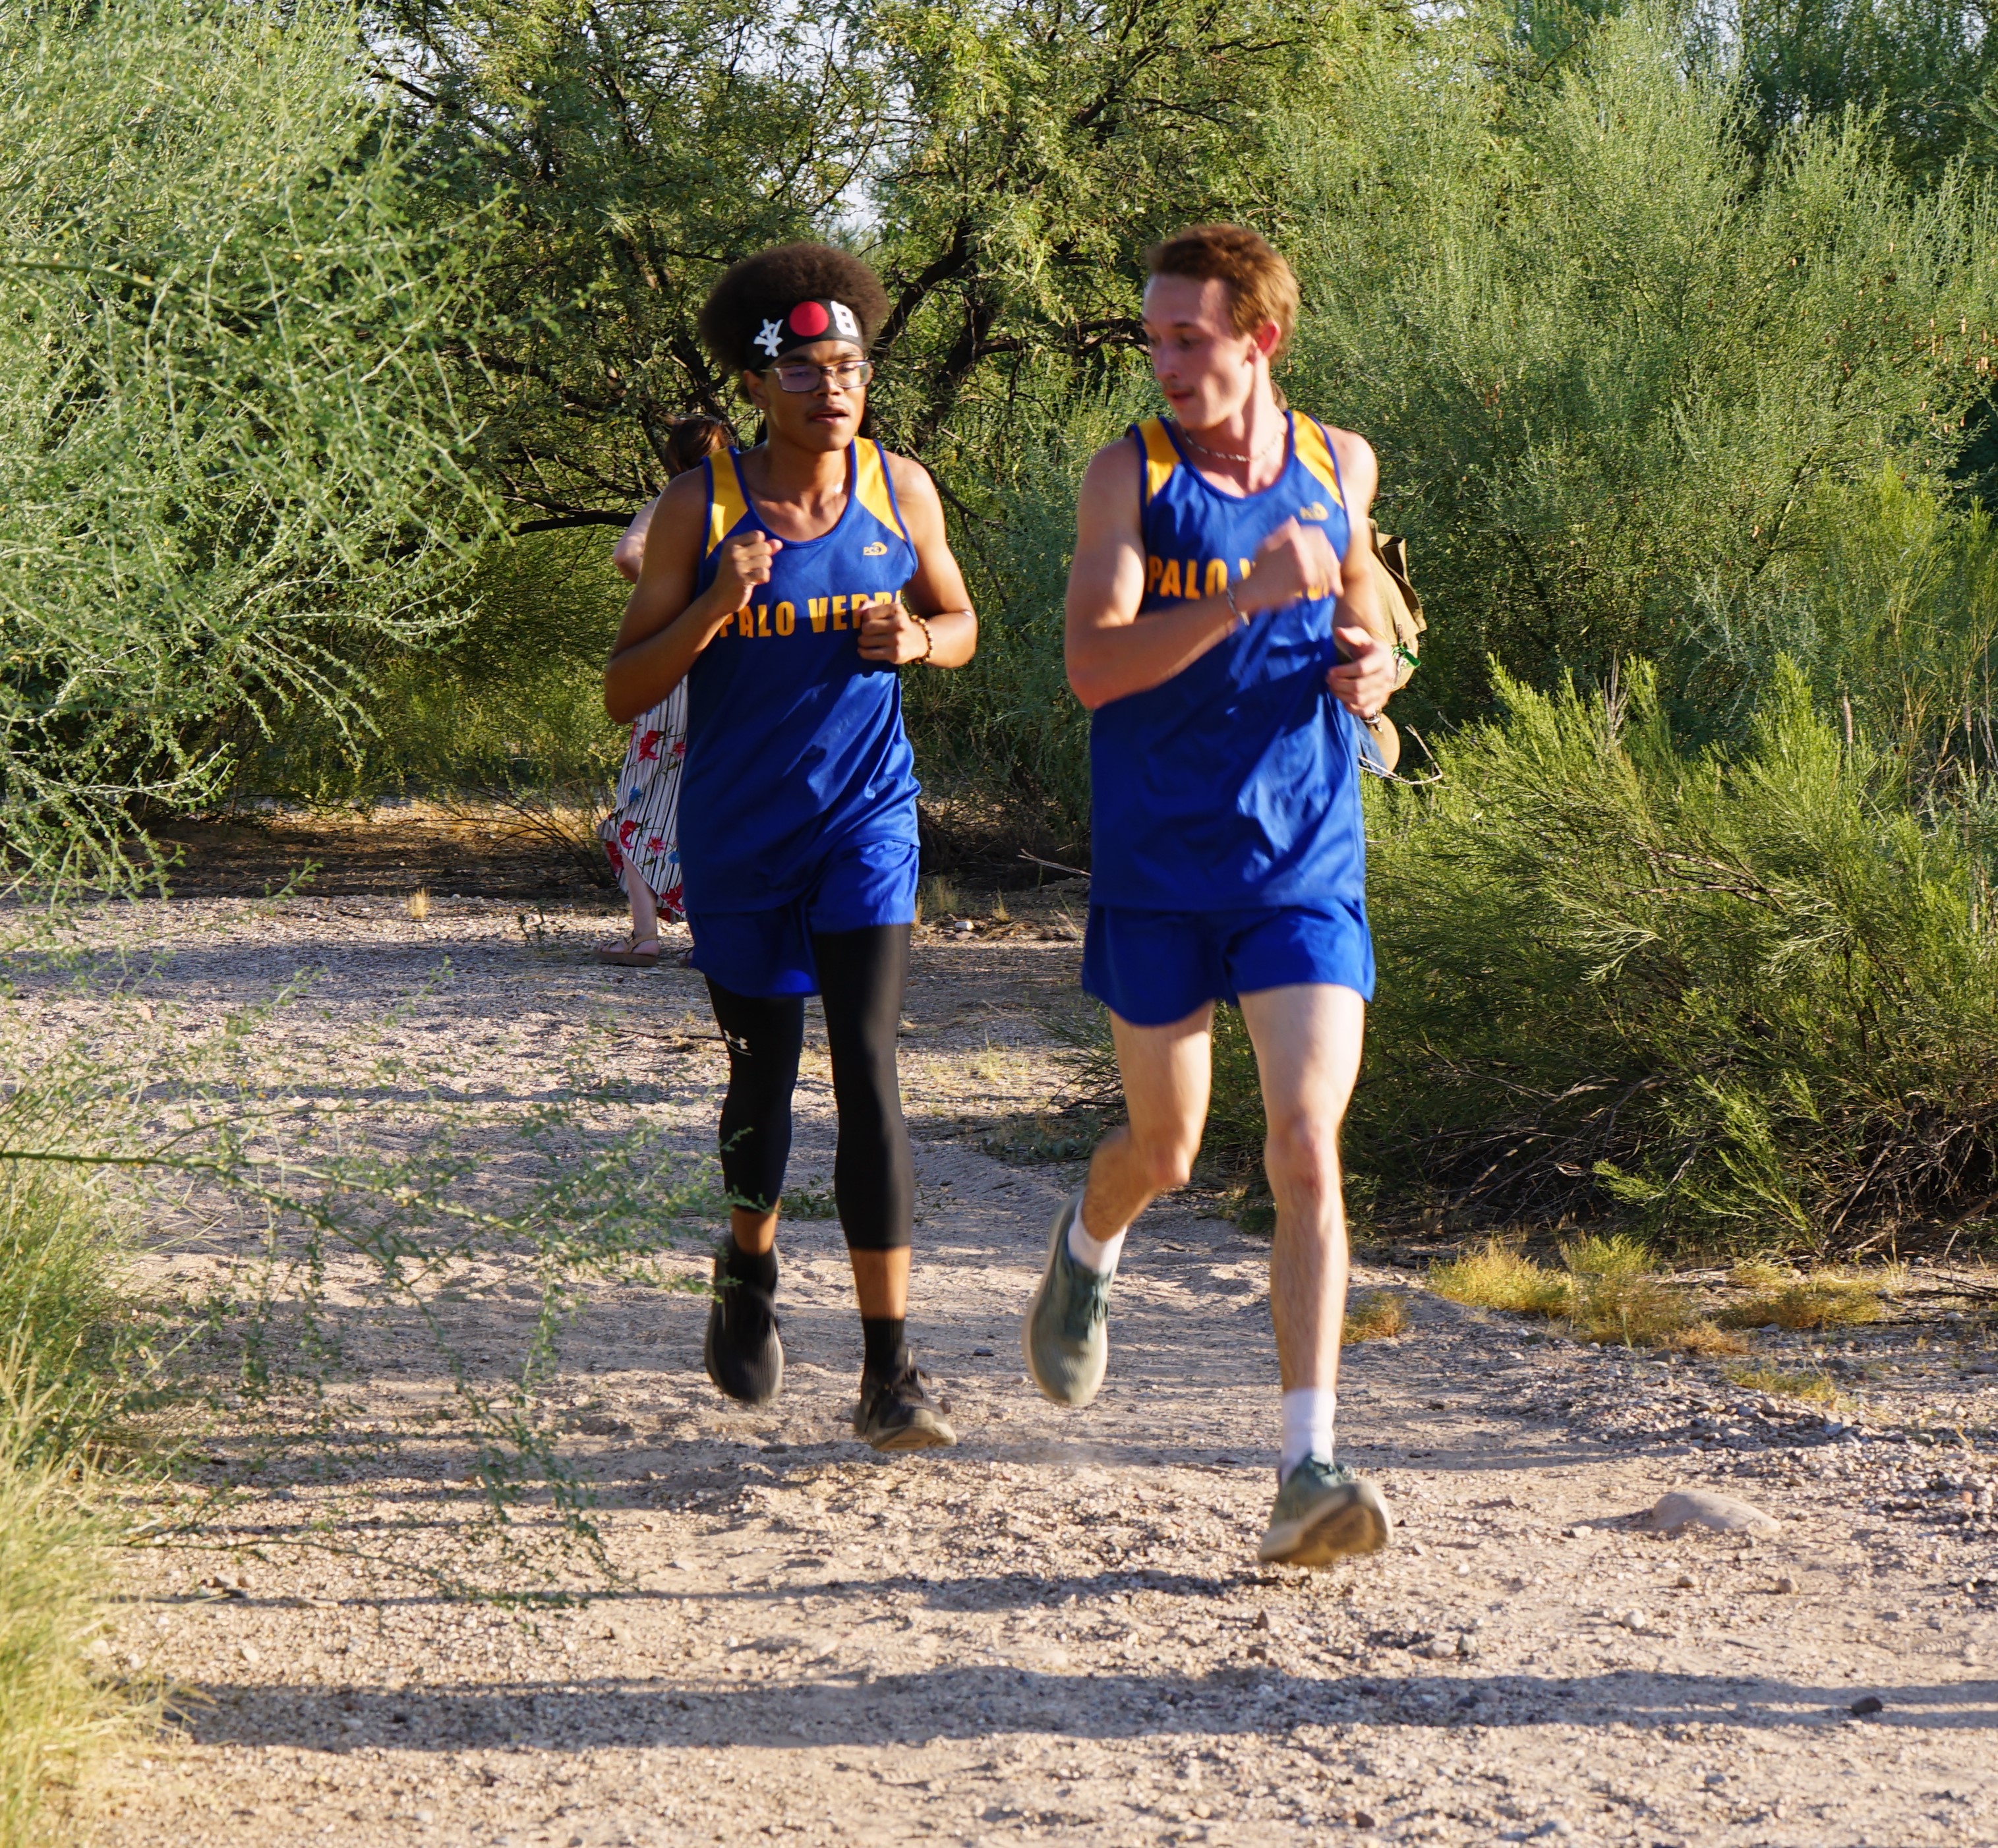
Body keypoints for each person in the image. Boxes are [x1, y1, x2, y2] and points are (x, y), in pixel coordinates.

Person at [1022, 223, 1400, 1563]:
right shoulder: (1129, 478)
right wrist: (1244, 596)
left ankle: (1307, 1462)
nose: (1166, 360)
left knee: (1304, 1142)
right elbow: (1094, 665)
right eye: (1155, 337)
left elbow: (1374, 609)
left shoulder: (1335, 463)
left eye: (1190, 337)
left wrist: (1378, 675)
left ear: (1261, 339)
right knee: (1166, 1151)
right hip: (1161, 859)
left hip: (1302, 855)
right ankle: (1088, 1240)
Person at [604, 244, 978, 1451]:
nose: (837, 389)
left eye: (852, 366)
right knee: (762, 1078)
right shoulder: (697, 508)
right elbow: (623, 688)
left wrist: (918, 642)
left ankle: (890, 1369)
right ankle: (747, 1266)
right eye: (811, 372)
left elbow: (963, 620)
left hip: (864, 821)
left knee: (867, 1064)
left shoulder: (898, 489)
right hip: (739, 835)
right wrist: (716, 605)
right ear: (762, 387)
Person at [597, 416, 734, 967]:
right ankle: (715, 936)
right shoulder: (747, 505)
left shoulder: (671, 504)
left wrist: (670, 594)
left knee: (640, 795)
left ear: (672, 460)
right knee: (720, 797)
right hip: (729, 666)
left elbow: (627, 556)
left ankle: (645, 934)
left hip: (671, 662)